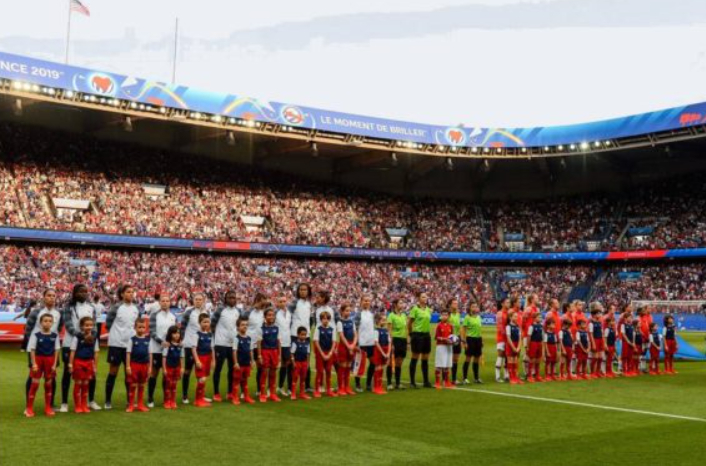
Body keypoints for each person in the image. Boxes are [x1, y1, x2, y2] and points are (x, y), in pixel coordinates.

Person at [60, 284, 99, 413]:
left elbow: (94, 326)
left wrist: (92, 336)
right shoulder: (68, 307)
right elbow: (68, 325)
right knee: (68, 372)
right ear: (75, 293)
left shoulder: (91, 307)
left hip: (88, 343)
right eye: (81, 291)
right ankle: (64, 403)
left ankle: (90, 401)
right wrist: (82, 336)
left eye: (86, 291)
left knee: (90, 373)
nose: (84, 294)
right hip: (70, 343)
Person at [23, 289, 62, 408]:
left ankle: (50, 404)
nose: (51, 298)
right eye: (49, 295)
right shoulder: (36, 312)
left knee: (51, 376)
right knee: (33, 376)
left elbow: (58, 329)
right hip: (37, 350)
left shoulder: (58, 313)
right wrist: (35, 343)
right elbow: (28, 330)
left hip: (51, 350)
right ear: (44, 297)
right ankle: (28, 404)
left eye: (53, 296)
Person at [104, 284, 140, 410]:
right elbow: (108, 323)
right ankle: (108, 400)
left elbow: (137, 325)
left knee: (129, 373)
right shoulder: (116, 307)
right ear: (122, 294)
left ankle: (129, 401)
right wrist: (117, 335)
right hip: (116, 344)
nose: (131, 294)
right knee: (113, 372)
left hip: (130, 345)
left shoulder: (136, 308)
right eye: (128, 292)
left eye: (132, 292)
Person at [25, 313, 60, 417]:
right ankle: (29, 408)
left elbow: (57, 350)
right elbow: (32, 350)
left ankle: (48, 408)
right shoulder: (36, 335)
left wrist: (54, 364)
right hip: (38, 360)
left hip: (50, 361)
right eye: (45, 321)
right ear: (40, 323)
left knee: (48, 385)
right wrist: (34, 364)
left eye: (50, 321)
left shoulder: (55, 335)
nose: (47, 323)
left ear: (52, 323)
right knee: (35, 384)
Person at [180, 292, 210, 404]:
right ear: (193, 301)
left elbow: (207, 328)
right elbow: (182, 327)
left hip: (201, 347)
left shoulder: (206, 312)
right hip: (189, 345)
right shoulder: (189, 312)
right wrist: (182, 339)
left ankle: (201, 395)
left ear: (203, 301)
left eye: (200, 299)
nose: (198, 301)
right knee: (187, 370)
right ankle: (184, 395)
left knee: (201, 372)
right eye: (196, 299)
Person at [211, 290, 240, 402]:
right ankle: (216, 393)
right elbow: (212, 325)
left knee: (232, 369)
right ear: (225, 299)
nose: (232, 299)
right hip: (220, 344)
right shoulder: (220, 310)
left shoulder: (238, 311)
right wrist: (216, 338)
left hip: (232, 345)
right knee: (218, 369)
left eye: (234, 297)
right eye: (230, 298)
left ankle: (230, 392)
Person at [147, 294, 176, 407]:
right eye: (163, 301)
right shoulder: (154, 315)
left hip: (168, 350)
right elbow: (152, 332)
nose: (165, 303)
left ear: (170, 302)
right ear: (159, 303)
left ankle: (166, 398)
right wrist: (161, 342)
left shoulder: (172, 316)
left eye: (167, 301)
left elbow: (174, 333)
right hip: (155, 349)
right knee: (154, 374)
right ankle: (150, 398)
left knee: (166, 374)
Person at [69, 316, 99, 414]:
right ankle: (77, 406)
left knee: (86, 384)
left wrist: (95, 366)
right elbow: (72, 351)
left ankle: (84, 405)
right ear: (81, 326)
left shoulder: (94, 337)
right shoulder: (77, 337)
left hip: (89, 363)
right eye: (86, 325)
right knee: (78, 383)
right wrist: (70, 364)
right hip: (79, 362)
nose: (89, 327)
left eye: (91, 325)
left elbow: (96, 352)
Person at [288, 283, 312, 391]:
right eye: (301, 289)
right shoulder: (294, 302)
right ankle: (290, 387)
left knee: (306, 360)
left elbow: (310, 319)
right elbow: (287, 315)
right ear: (298, 291)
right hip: (295, 335)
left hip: (306, 335)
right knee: (293, 361)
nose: (303, 291)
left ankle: (307, 386)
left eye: (305, 289)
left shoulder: (309, 304)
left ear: (308, 291)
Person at [408, 291, 433, 389]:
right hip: (417, 335)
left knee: (425, 358)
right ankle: (412, 382)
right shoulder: (415, 309)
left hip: (426, 335)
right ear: (419, 298)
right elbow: (409, 323)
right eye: (423, 297)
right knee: (415, 357)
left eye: (426, 297)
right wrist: (411, 334)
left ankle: (426, 381)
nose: (425, 298)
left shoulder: (428, 310)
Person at [126, 318, 151, 413]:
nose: (141, 329)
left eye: (143, 327)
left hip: (144, 365)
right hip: (134, 365)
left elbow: (150, 354)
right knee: (133, 384)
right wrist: (128, 366)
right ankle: (131, 405)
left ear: (146, 328)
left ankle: (140, 405)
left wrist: (150, 367)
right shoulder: (132, 340)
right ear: (135, 328)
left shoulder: (148, 340)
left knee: (142, 384)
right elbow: (128, 353)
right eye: (139, 327)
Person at [245, 292, 268, 397]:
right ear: (258, 300)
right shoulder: (249, 312)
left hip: (259, 344)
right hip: (248, 344)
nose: (264, 303)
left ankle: (259, 390)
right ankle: (243, 392)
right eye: (262, 301)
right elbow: (241, 324)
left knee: (260, 368)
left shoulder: (263, 313)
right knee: (245, 368)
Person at [258, 307, 281, 403]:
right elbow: (259, 343)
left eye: (273, 315)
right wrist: (259, 355)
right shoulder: (261, 329)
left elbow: (279, 342)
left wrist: (279, 355)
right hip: (265, 351)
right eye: (269, 315)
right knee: (264, 372)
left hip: (274, 352)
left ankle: (272, 394)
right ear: (265, 317)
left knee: (273, 373)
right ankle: (262, 394)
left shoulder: (276, 328)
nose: (271, 317)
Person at [354, 294, 376, 393]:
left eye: (368, 301)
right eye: (365, 300)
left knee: (373, 363)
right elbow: (355, 329)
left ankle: (368, 384)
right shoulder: (358, 314)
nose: (367, 302)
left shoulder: (371, 314)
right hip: (361, 343)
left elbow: (372, 328)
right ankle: (358, 384)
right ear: (361, 302)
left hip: (371, 343)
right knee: (359, 364)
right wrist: (356, 342)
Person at [313, 310, 337, 398]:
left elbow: (334, 342)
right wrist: (322, 353)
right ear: (321, 320)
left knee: (328, 371)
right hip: (320, 353)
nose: (325, 320)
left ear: (329, 320)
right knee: (319, 371)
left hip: (329, 353)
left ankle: (328, 390)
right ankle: (316, 390)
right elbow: (316, 342)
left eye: (327, 319)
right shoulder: (318, 329)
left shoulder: (332, 329)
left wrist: (330, 353)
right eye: (323, 319)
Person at [232, 318, 255, 404]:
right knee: (237, 381)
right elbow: (234, 351)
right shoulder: (236, 339)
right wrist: (236, 363)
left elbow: (251, 350)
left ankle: (246, 397)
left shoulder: (249, 338)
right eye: (242, 325)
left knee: (245, 380)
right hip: (240, 364)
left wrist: (252, 361)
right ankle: (235, 398)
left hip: (247, 364)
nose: (245, 326)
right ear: (238, 327)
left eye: (246, 325)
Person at [193, 313, 214, 407]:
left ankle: (201, 397)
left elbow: (212, 348)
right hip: (200, 358)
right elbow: (193, 348)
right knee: (201, 379)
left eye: (208, 322)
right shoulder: (197, 334)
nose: (206, 324)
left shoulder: (210, 334)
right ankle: (198, 400)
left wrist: (213, 360)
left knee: (204, 378)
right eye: (204, 322)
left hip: (208, 358)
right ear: (199, 323)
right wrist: (197, 360)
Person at [336, 303, 357, 396]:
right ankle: (341, 387)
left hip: (351, 345)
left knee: (348, 366)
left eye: (349, 311)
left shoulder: (352, 322)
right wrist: (349, 346)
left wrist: (353, 344)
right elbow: (341, 336)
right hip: (343, 346)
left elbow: (355, 334)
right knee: (342, 367)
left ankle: (347, 387)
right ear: (341, 311)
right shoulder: (340, 322)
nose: (348, 312)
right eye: (346, 311)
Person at [386, 299, 407, 390]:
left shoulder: (404, 315)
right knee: (391, 362)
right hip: (395, 339)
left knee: (399, 362)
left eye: (402, 303)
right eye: (400, 303)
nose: (402, 304)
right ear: (395, 304)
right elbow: (389, 330)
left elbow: (405, 328)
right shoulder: (391, 315)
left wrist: (407, 341)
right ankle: (389, 383)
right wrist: (391, 342)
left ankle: (398, 383)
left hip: (403, 340)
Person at [460, 302, 483, 384]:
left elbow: (479, 330)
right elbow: (463, 330)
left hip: (478, 339)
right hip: (470, 339)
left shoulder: (479, 317)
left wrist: (481, 340)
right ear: (469, 308)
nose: (475, 308)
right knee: (468, 358)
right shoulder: (467, 317)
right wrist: (464, 341)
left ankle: (476, 378)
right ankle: (465, 378)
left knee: (477, 359)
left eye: (476, 306)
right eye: (473, 306)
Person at [275, 295, 293, 397]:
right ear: (277, 303)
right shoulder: (276, 314)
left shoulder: (289, 314)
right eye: (280, 301)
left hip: (288, 342)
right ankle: (279, 386)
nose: (282, 303)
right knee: (280, 365)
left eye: (284, 301)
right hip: (279, 342)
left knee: (288, 364)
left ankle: (286, 387)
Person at [162, 325, 183, 410]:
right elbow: (164, 357)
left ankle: (173, 401)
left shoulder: (181, 345)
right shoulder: (168, 345)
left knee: (174, 384)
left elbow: (181, 357)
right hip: (169, 367)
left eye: (178, 333)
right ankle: (167, 401)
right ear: (170, 334)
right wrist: (164, 368)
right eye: (174, 333)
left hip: (176, 367)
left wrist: (182, 368)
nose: (177, 335)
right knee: (168, 384)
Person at [371, 313, 391, 395]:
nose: (385, 321)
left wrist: (388, 352)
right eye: (383, 320)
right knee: (378, 368)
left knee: (382, 368)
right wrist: (383, 353)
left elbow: (389, 342)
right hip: (379, 351)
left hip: (385, 350)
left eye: (385, 320)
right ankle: (376, 387)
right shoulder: (376, 330)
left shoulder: (386, 331)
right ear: (378, 321)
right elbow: (376, 342)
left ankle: (380, 386)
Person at [434, 309, 454, 389]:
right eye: (443, 315)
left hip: (449, 347)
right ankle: (437, 382)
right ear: (441, 316)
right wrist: (445, 339)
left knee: (447, 365)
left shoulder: (450, 326)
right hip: (441, 346)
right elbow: (436, 337)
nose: (444, 316)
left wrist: (453, 341)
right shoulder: (439, 325)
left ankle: (447, 382)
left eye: (446, 315)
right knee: (439, 365)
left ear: (448, 316)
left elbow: (452, 336)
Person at [290, 326, 311, 401]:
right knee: (295, 377)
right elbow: (292, 353)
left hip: (304, 363)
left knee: (303, 378)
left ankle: (302, 393)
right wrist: (293, 362)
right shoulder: (295, 343)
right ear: (298, 335)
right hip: (297, 362)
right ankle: (293, 393)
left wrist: (308, 363)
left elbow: (308, 354)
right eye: (302, 334)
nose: (303, 336)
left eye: (305, 335)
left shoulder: (307, 343)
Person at [494, 298, 510, 383]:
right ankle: (497, 376)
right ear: (502, 304)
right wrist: (507, 335)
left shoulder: (509, 312)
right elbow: (500, 327)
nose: (508, 304)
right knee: (500, 355)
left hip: (508, 338)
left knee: (507, 356)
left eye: (509, 302)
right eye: (507, 302)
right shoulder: (500, 313)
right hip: (501, 338)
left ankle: (506, 375)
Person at [447, 298, 463, 384]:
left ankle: (453, 379)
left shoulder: (458, 314)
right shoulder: (448, 315)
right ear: (450, 305)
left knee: (455, 359)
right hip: (449, 339)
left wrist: (461, 339)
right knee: (447, 359)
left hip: (457, 338)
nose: (456, 305)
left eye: (457, 303)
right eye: (454, 303)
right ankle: (445, 378)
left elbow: (459, 327)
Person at [505, 311, 523, 385]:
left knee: (515, 361)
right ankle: (511, 377)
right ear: (510, 317)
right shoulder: (508, 326)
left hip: (517, 345)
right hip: (510, 346)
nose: (516, 318)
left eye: (517, 316)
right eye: (515, 316)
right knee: (510, 361)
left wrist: (518, 347)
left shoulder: (518, 326)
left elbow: (520, 337)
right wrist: (513, 348)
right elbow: (508, 338)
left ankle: (516, 377)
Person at [588, 303, 605, 378]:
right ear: (594, 315)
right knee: (595, 357)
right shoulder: (591, 323)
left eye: (600, 313)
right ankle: (592, 372)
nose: (600, 315)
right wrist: (593, 343)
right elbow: (591, 334)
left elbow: (602, 333)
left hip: (600, 340)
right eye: (598, 313)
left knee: (600, 357)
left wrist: (603, 342)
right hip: (595, 340)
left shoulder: (600, 322)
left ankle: (598, 372)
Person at [526, 313, 544, 383]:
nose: (540, 318)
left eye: (540, 317)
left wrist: (542, 343)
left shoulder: (541, 326)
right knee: (532, 359)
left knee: (538, 359)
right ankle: (529, 375)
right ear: (534, 318)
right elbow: (529, 337)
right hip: (533, 343)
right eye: (539, 317)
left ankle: (537, 375)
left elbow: (542, 336)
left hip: (539, 343)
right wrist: (528, 346)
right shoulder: (531, 327)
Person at [621, 313, 636, 377]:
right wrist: (628, 342)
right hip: (626, 343)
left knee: (630, 357)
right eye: (629, 317)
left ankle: (629, 370)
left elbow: (633, 334)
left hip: (631, 343)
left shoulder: (632, 325)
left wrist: (633, 342)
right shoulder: (623, 325)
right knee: (625, 357)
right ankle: (624, 371)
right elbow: (623, 334)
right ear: (625, 318)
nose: (630, 319)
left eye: (631, 317)